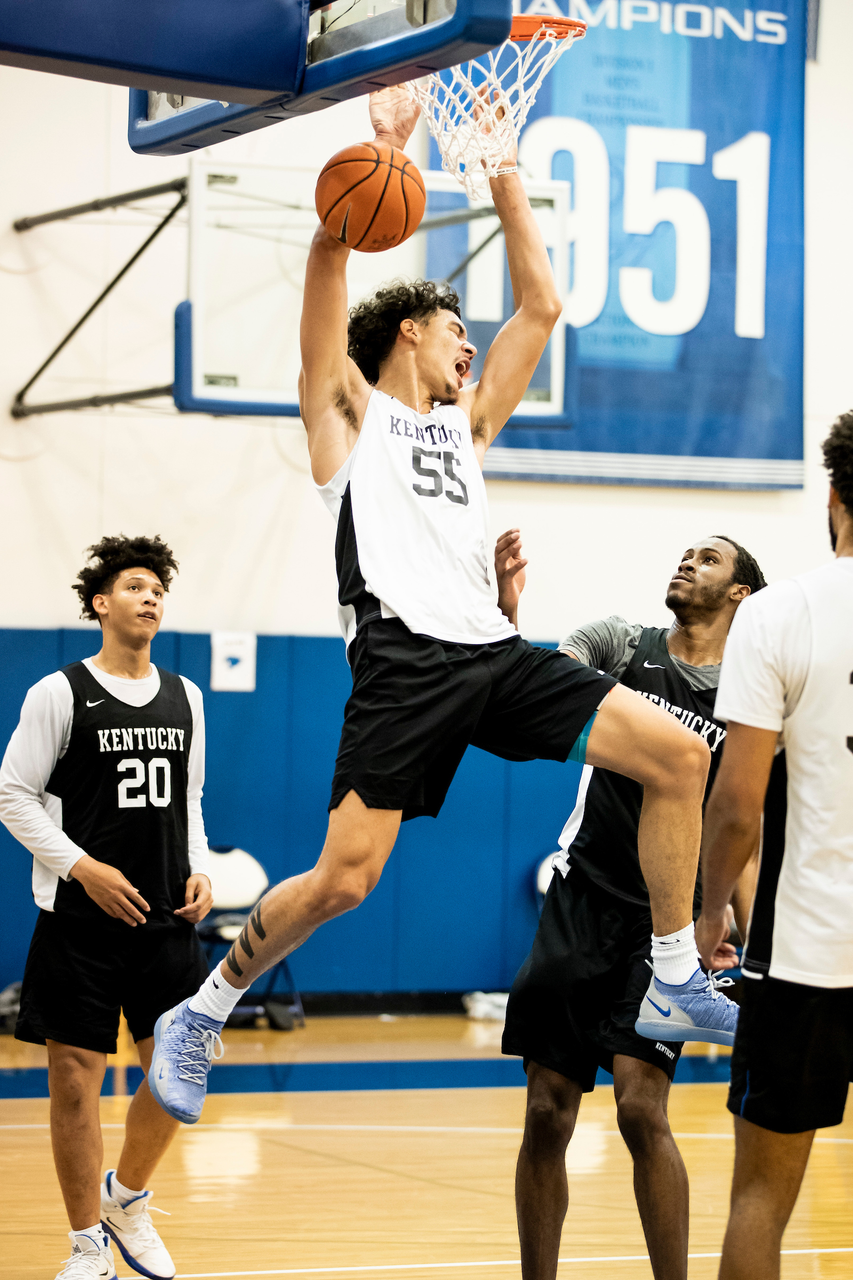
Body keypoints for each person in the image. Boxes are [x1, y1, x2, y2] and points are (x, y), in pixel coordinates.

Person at [148, 85, 736, 1128]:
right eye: (456, 332)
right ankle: (204, 1007)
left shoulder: (467, 432)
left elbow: (542, 306)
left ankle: (676, 967)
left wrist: (497, 162)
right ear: (410, 333)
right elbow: (326, 278)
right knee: (342, 881)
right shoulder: (347, 413)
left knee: (682, 756)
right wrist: (374, 164)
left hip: (495, 651)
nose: (473, 349)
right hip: (405, 663)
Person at [498, 531, 765, 1280]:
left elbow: (748, 831)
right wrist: (504, 614)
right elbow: (544, 687)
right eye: (685, 554)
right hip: (581, 901)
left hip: (666, 929)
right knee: (547, 1108)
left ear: (740, 593)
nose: (687, 562)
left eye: (709, 559)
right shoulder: (619, 645)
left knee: (640, 1110)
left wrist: (755, 941)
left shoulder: (749, 700)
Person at [0, 536, 212, 1280]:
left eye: (158, 587)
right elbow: (12, 796)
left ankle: (127, 1197)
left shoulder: (186, 696)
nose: (150, 597)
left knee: (177, 1079)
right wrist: (82, 868)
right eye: (133, 586)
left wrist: (201, 869)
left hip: (163, 923)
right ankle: (88, 1245)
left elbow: (188, 800)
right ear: (100, 603)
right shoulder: (58, 693)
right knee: (73, 1082)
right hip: (79, 920)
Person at [695, 413, 853, 1280]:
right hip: (809, 951)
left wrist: (710, 910)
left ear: (833, 497)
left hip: (804, 955)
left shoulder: (778, 614)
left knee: (760, 1197)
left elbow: (736, 806)